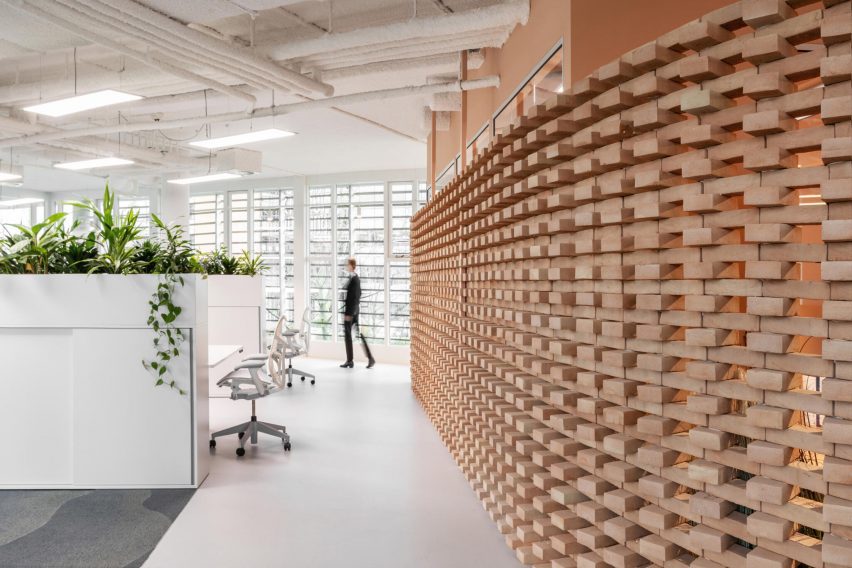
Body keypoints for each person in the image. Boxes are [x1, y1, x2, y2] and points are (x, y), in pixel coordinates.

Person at [340, 258, 375, 369]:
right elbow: (359, 294)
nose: (346, 266)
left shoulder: (354, 279)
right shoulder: (354, 278)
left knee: (348, 335)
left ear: (351, 265)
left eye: (347, 264)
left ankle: (350, 361)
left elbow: (355, 296)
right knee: (357, 335)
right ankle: (369, 358)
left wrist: (349, 313)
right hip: (354, 309)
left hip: (351, 311)